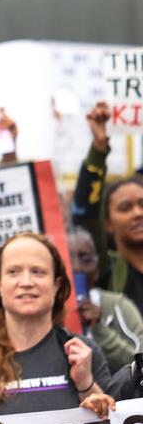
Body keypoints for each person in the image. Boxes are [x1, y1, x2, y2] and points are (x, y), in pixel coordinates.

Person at [0, 233, 116, 421]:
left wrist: (86, 385)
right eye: (13, 272)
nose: (26, 282)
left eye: (38, 271)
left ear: (56, 285)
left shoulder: (83, 354)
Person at [73, 103, 143, 313]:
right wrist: (99, 148)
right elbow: (86, 213)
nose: (138, 213)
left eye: (142, 204)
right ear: (108, 224)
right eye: (125, 208)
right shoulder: (107, 271)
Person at [67, 227, 143, 372]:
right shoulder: (43, 314)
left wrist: (99, 328)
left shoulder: (118, 306)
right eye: (68, 259)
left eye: (85, 259)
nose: (76, 267)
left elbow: (140, 368)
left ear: (97, 269)